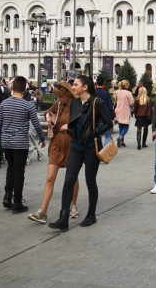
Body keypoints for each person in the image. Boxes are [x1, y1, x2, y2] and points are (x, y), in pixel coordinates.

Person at [48, 75, 113, 231]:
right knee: (69, 180)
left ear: (85, 87)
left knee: (90, 181)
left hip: (91, 146)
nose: (73, 86)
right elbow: (74, 120)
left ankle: (91, 215)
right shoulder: (75, 103)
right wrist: (68, 128)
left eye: (75, 84)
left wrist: (92, 133)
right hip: (76, 146)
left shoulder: (97, 102)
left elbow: (108, 122)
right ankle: (63, 218)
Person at [0, 76, 46, 213]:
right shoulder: (28, 105)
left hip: (6, 142)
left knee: (10, 168)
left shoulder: (4, 104)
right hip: (20, 143)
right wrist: (42, 138)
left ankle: (7, 195)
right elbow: (36, 123)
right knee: (19, 172)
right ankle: (17, 202)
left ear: (12, 88)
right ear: (25, 89)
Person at [28, 82, 81, 224]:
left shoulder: (77, 104)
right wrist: (48, 118)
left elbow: (82, 122)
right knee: (50, 178)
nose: (59, 98)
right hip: (57, 143)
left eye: (61, 96)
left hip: (72, 144)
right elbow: (48, 113)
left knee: (72, 178)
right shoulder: (58, 104)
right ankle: (42, 212)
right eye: (57, 96)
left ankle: (73, 205)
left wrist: (70, 125)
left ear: (68, 93)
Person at [95, 76, 115, 146]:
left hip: (95, 116)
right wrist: (112, 118)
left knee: (96, 135)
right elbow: (110, 106)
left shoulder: (93, 93)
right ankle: (105, 151)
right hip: (105, 117)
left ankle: (98, 150)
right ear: (103, 83)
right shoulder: (106, 93)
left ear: (96, 83)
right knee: (107, 135)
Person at [114, 79, 134, 147]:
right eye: (128, 84)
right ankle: (120, 137)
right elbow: (131, 102)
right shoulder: (128, 93)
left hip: (118, 110)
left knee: (121, 126)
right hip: (125, 110)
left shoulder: (117, 92)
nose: (129, 85)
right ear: (126, 85)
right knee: (126, 126)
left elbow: (114, 98)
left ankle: (122, 141)